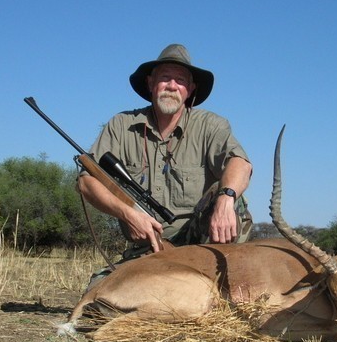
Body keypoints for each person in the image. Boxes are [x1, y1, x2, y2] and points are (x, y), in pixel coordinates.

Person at [78, 44, 253, 255]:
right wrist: (128, 214)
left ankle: (226, 274)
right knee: (99, 287)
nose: (172, 85)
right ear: (151, 83)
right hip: (148, 246)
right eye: (165, 78)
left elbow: (240, 163)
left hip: (201, 245)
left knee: (232, 198)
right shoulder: (121, 125)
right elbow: (87, 181)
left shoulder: (211, 125)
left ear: (190, 89)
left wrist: (226, 198)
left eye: (180, 80)